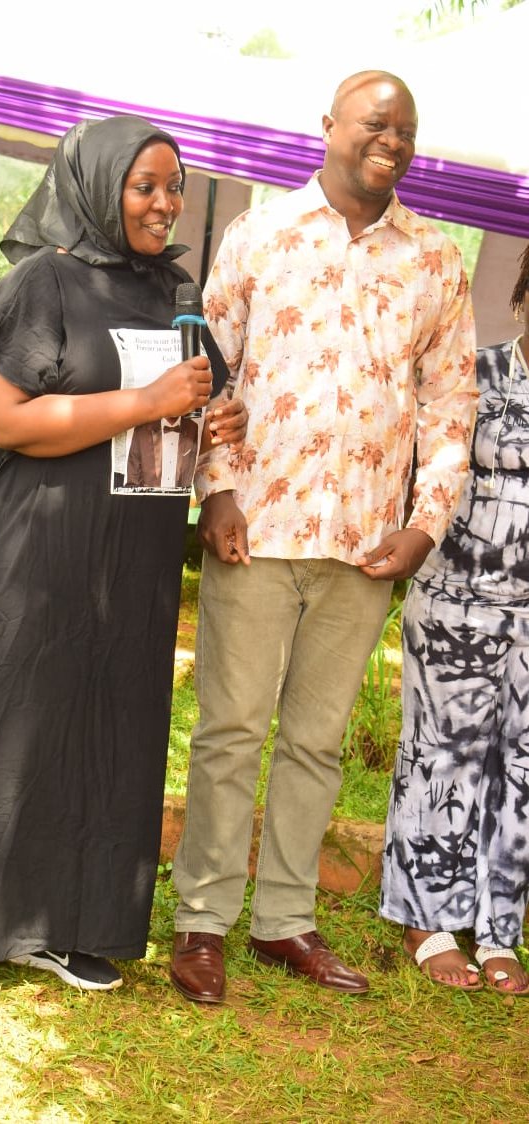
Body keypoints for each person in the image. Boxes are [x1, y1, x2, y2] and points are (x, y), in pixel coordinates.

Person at [0, 115, 247, 1012]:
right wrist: (145, 400)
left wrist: (206, 420)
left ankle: (59, 922)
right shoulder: (45, 282)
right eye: (144, 184)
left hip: (135, 558)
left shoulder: (173, 292)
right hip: (39, 547)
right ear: (96, 186)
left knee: (108, 731)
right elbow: (5, 421)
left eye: (173, 184)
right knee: (9, 727)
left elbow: (193, 400)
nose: (164, 203)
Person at [169, 70, 478, 1004]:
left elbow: (452, 401)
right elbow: (207, 370)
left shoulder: (435, 259)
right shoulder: (260, 233)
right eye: (376, 124)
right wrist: (216, 491)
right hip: (256, 527)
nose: (391, 141)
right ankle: (204, 922)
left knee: (316, 740)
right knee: (230, 729)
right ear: (330, 126)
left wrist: (426, 527)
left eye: (406, 132)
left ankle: (284, 922)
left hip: (368, 542)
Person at [379, 245, 529, 995]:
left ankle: (501, 926)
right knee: (443, 758)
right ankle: (426, 916)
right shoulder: (476, 375)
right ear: (523, 299)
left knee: (522, 769)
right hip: (457, 610)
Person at [126, 413, 200, 490]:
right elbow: (133, 478)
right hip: (148, 499)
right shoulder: (142, 430)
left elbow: (190, 469)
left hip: (179, 499)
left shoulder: (193, 427)